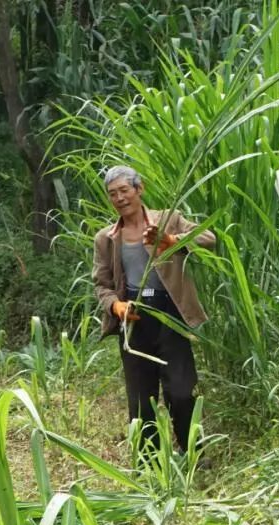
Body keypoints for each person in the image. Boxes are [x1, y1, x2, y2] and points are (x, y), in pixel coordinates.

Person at [92, 165, 216, 456]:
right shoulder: (106, 238)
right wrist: (115, 305)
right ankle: (150, 465)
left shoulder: (168, 220)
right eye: (113, 194)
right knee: (141, 399)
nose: (120, 198)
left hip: (170, 315)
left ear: (139, 189)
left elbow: (209, 239)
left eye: (124, 190)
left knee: (182, 391)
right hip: (133, 319)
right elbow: (101, 283)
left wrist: (172, 242)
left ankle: (193, 454)